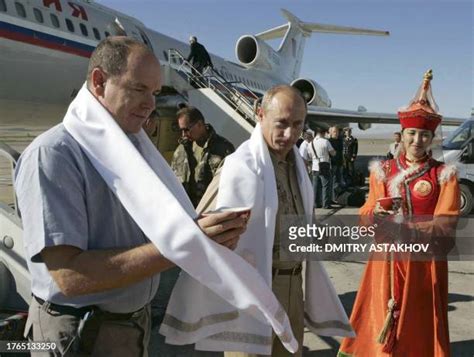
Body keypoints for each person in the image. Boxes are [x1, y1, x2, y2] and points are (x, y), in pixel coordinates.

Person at [15, 37, 296, 356]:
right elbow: (70, 276)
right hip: (77, 334)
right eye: (138, 89)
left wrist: (203, 231)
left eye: (155, 92)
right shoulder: (54, 155)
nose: (151, 104)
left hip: (128, 326)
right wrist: (188, 243)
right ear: (99, 81)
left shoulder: (132, 152)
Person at [160, 85, 353, 356]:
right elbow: (200, 228)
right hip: (254, 294)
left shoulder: (297, 167)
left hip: (293, 289)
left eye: (298, 125)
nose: (290, 134)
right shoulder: (239, 168)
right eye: (282, 124)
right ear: (260, 114)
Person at [338, 70, 460, 357]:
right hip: (386, 263)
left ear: (432, 137)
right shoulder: (383, 171)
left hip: (423, 264)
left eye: (424, 134)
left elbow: (446, 224)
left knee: (418, 322)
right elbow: (365, 216)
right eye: (412, 133)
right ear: (402, 135)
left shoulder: (443, 175)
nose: (417, 140)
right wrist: (378, 210)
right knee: (380, 315)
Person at [171, 106, 235, 208]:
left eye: (186, 129)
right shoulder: (181, 150)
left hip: (210, 212)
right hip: (185, 212)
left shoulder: (223, 149)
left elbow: (231, 186)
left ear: (200, 124)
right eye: (181, 130)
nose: (183, 134)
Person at [308, 127, 335, 209]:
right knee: (326, 186)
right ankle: (326, 204)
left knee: (315, 186)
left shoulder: (311, 143)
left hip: (315, 166)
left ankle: (316, 203)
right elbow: (333, 153)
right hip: (324, 165)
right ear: (323, 133)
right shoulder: (326, 142)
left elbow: (309, 155)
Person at [328, 126, 344, 203]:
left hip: (339, 163)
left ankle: (338, 197)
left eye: (337, 131)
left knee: (339, 181)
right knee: (334, 181)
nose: (336, 133)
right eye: (334, 132)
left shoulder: (340, 140)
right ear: (330, 132)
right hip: (333, 164)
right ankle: (333, 198)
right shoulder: (329, 141)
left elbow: (341, 153)